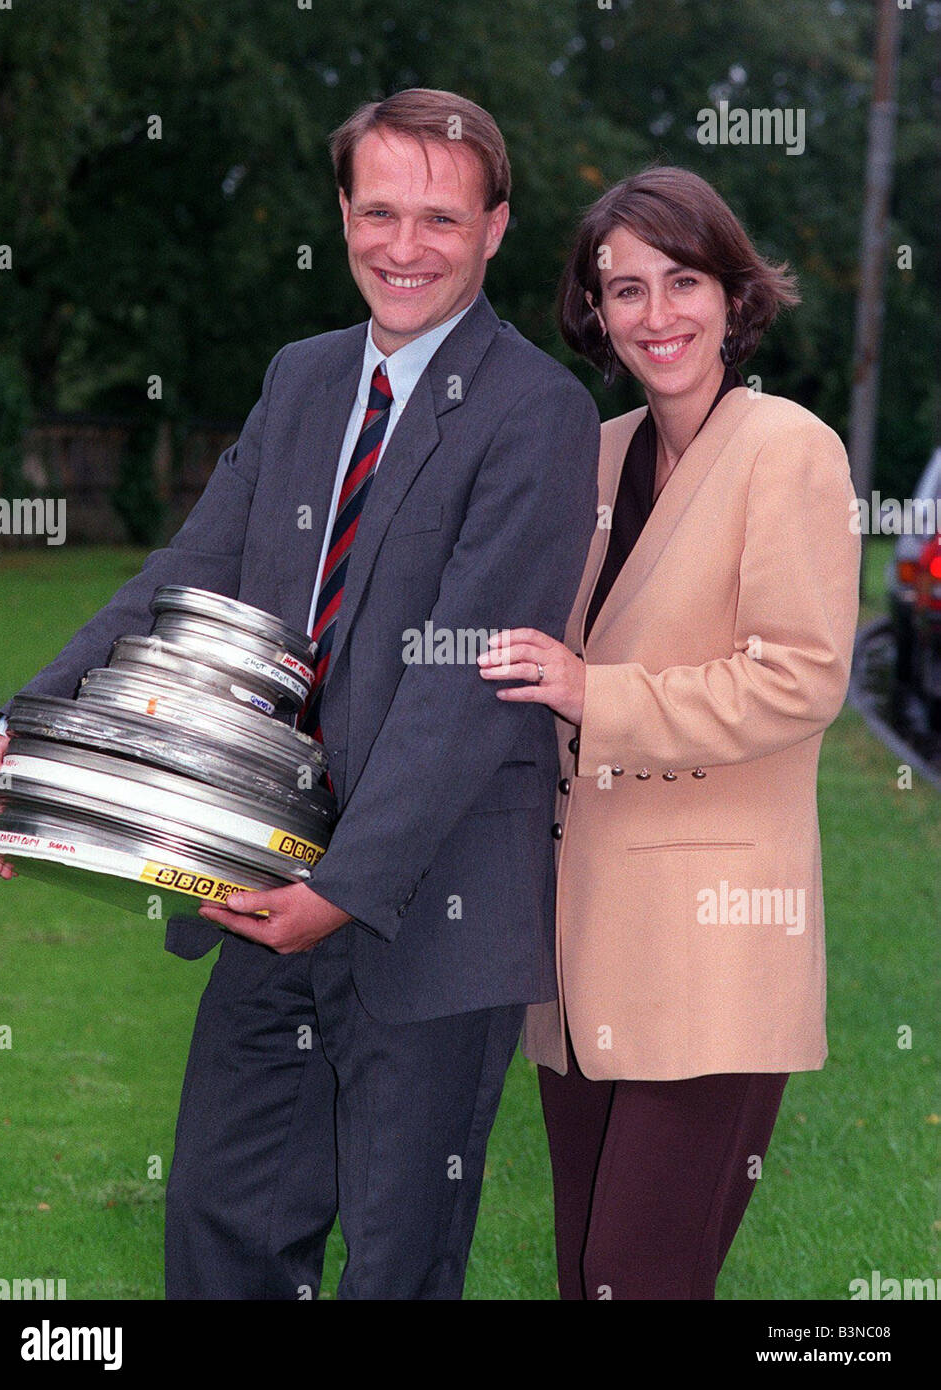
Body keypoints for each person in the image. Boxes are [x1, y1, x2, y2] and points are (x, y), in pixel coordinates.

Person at [0, 88, 600, 1300]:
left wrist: (344, 886)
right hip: (259, 869)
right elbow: (184, 575)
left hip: (430, 903)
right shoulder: (304, 380)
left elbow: (467, 685)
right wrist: (24, 731)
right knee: (221, 1223)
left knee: (397, 1258)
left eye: (439, 218)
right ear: (342, 213)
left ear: (496, 229)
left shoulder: (536, 413)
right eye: (377, 212)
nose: (403, 246)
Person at [477, 166, 860, 1299]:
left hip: (715, 953)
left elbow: (800, 677)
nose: (656, 316)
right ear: (594, 314)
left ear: (734, 295)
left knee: (636, 1272)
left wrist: (601, 695)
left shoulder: (789, 449)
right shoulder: (593, 454)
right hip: (579, 952)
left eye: (681, 280)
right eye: (623, 290)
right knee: (585, 1274)